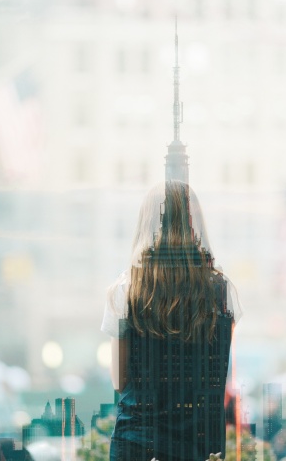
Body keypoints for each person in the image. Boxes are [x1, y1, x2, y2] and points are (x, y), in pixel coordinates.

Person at [101, 181, 241, 461]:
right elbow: (219, 372)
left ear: (147, 224)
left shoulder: (126, 289)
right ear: (195, 225)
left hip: (139, 442)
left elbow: (119, 380)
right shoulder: (222, 290)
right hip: (200, 444)